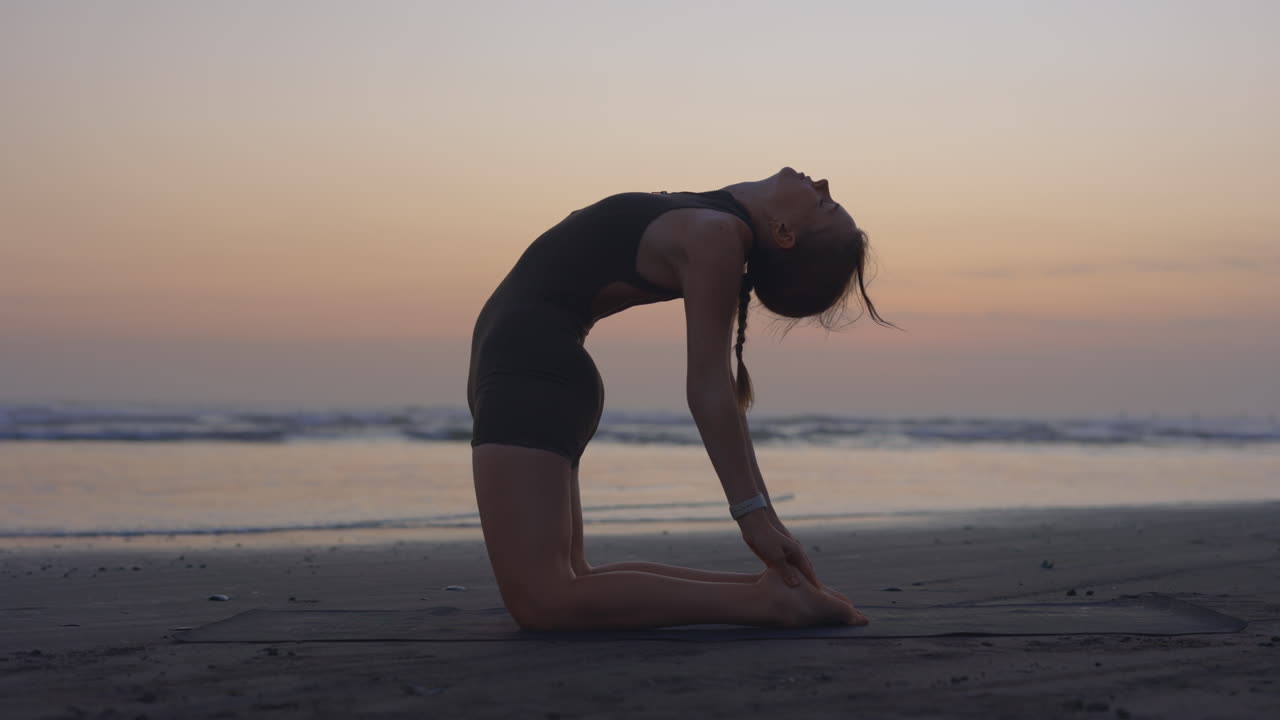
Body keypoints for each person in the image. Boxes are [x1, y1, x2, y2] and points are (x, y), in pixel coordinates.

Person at [466, 166, 892, 631]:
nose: (823, 185)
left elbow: (711, 387)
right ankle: (772, 592)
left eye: (824, 205)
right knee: (572, 580)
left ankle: (771, 604)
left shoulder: (716, 235)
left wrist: (754, 517)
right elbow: (722, 391)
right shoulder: (714, 218)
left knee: (545, 600)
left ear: (784, 232)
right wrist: (766, 519)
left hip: (531, 374)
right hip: (529, 373)